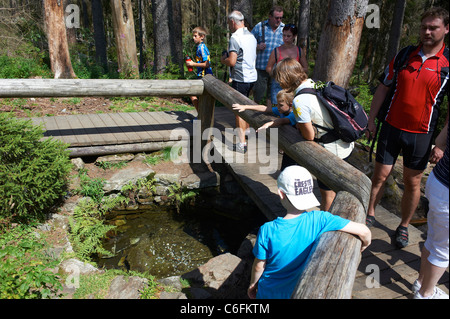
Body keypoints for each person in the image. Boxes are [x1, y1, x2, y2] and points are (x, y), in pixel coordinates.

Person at [365, 7, 449, 249]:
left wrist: (441, 144)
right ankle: (370, 213)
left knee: (412, 183)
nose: (427, 32)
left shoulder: (447, 64)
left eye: (433, 27)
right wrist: (371, 120)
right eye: (424, 27)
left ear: (446, 29)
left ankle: (403, 226)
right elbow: (383, 87)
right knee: (380, 175)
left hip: (422, 135)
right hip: (391, 127)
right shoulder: (405, 54)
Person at [248, 165, 371, 299]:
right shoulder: (321, 219)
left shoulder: (268, 230)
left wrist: (253, 284)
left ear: (281, 193)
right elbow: (364, 231)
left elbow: (258, 267)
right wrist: (363, 245)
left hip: (268, 293)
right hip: (297, 290)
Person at [273, 58, 354, 211]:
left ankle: (326, 228)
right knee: (333, 190)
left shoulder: (299, 101)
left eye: (279, 80)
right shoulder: (316, 83)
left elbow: (309, 135)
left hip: (332, 150)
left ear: (285, 79)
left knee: (327, 193)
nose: (279, 84)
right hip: (345, 142)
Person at [412, 123, 449, 299]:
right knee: (443, 251)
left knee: (433, 238)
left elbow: (440, 141)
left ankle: (420, 282)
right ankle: (425, 293)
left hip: (438, 181)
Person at [221, 11, 257, 154]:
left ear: (232, 22)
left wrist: (223, 59)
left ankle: (242, 144)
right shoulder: (251, 36)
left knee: (239, 112)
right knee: (247, 107)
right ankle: (246, 132)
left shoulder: (235, 38)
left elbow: (232, 61)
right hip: (252, 78)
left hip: (240, 78)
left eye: (229, 23)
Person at [266, 24, 308, 106]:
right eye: (284, 35)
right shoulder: (277, 51)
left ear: (294, 36)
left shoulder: (299, 51)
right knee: (279, 107)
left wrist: (294, 73)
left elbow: (305, 68)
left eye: (288, 36)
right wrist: (277, 74)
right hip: (279, 84)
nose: (285, 38)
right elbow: (268, 68)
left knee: (293, 107)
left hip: (294, 84)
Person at [251, 6, 285, 106]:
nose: (279, 20)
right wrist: (257, 46)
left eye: (281, 18)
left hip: (277, 69)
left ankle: (269, 116)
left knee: (273, 95)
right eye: (276, 17)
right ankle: (252, 116)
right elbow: (249, 43)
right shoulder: (260, 26)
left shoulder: (284, 29)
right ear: (270, 16)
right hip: (261, 67)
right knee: (258, 93)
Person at [231, 89, 296, 130]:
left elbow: (282, 121)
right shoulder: (281, 109)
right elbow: (265, 108)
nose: (278, 107)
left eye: (281, 105)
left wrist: (268, 124)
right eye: (277, 104)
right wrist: (245, 107)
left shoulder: (294, 114)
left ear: (290, 105)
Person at [185, 26, 213, 113]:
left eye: (195, 36)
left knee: (193, 93)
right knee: (199, 97)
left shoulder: (202, 48)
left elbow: (207, 64)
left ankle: (201, 115)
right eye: (193, 36)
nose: (193, 38)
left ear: (202, 36)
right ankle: (201, 114)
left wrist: (193, 64)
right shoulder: (199, 47)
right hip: (201, 75)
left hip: (205, 76)